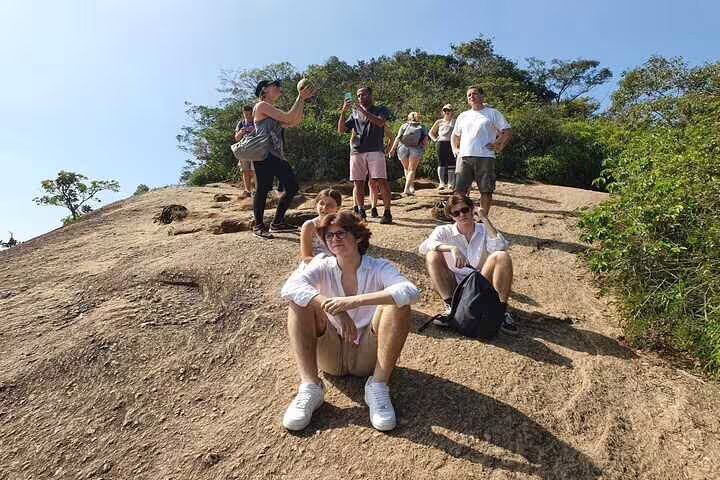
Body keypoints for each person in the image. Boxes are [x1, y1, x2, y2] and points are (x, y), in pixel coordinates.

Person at [280, 211, 420, 431]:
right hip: (331, 353)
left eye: (341, 233)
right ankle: (310, 386)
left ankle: (378, 385)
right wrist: (333, 308)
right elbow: (290, 287)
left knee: (398, 303)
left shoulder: (379, 266)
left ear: (358, 237)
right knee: (299, 301)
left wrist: (352, 302)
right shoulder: (321, 264)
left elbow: (410, 291)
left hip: (365, 354)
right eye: (329, 236)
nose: (334, 239)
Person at [418, 194, 518, 335]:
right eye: (456, 213)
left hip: (481, 282)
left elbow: (500, 246)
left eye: (465, 210)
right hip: (456, 286)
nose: (461, 215)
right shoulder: (444, 231)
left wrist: (484, 218)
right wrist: (452, 248)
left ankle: (501, 312)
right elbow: (426, 246)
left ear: (472, 210)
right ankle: (451, 307)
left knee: (502, 256)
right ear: (451, 216)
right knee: (432, 254)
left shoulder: (483, 230)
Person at [251, 79, 314, 239]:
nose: (279, 88)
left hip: (277, 155)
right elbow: (287, 117)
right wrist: (299, 98)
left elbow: (293, 121)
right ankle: (258, 225)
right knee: (263, 189)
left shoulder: (273, 109)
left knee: (292, 187)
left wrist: (302, 99)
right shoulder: (261, 106)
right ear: (264, 90)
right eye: (275, 86)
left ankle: (277, 223)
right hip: (264, 155)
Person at [451, 86, 512, 215]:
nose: (471, 96)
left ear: (482, 96)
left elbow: (507, 131)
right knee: (459, 191)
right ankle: (461, 216)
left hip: (485, 157)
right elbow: (455, 135)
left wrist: (499, 146)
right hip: (464, 157)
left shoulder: (493, 113)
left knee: (486, 190)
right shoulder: (463, 115)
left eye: (474, 94)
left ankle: (482, 219)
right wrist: (455, 149)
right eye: (469, 95)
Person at [337, 86, 394, 224]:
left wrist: (362, 111)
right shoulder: (354, 113)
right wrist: (344, 112)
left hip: (375, 149)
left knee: (381, 181)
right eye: (358, 96)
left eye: (363, 95)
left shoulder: (381, 109)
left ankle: (387, 212)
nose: (360, 98)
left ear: (371, 95)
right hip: (357, 151)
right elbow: (341, 130)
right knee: (358, 182)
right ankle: (361, 211)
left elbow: (380, 122)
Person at [389, 112, 429, 196]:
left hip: (402, 148)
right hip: (415, 148)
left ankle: (410, 187)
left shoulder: (404, 125)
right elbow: (425, 140)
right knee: (412, 169)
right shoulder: (422, 127)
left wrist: (392, 149)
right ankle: (407, 188)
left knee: (406, 169)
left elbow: (398, 138)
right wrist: (423, 148)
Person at [299, 188, 342, 264]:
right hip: (315, 266)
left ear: (338, 208)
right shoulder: (309, 226)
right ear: (316, 204)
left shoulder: (341, 225)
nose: (324, 207)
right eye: (321, 203)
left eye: (330, 205)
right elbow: (306, 257)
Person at [429, 104, 456, 192]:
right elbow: (431, 132)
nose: (447, 112)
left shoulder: (455, 121)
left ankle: (451, 183)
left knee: (452, 162)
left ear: (452, 111)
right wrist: (435, 139)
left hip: (452, 143)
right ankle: (441, 183)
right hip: (441, 143)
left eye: (449, 110)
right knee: (441, 162)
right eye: (445, 111)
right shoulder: (439, 121)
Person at [234, 105, 257, 198]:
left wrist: (254, 131)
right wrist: (241, 132)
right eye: (245, 114)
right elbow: (236, 138)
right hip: (244, 149)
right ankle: (247, 191)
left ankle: (257, 190)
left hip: (255, 148)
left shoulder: (257, 121)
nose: (247, 116)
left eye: (249, 114)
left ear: (253, 113)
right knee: (245, 170)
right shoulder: (241, 123)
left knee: (255, 170)